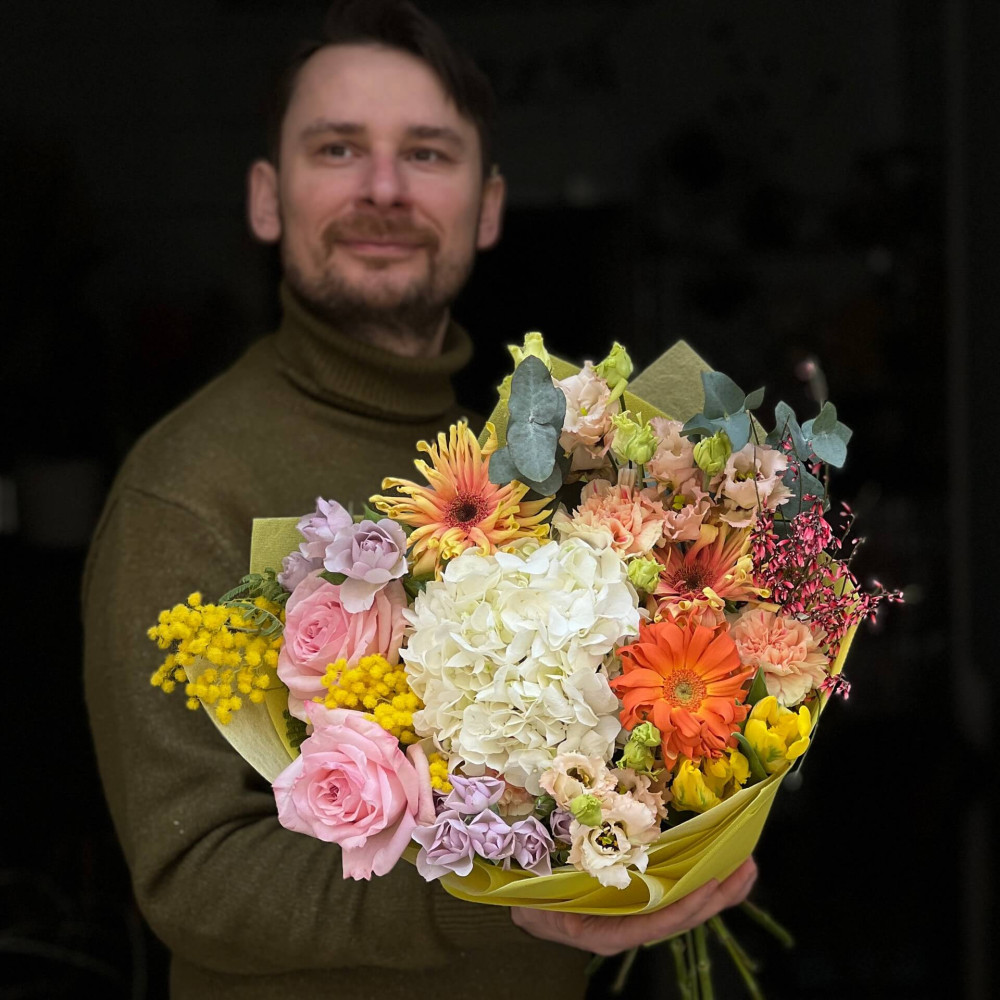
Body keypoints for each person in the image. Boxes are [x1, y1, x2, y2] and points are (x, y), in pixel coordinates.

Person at [82, 3, 756, 998]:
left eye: (428, 153)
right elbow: (193, 875)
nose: (385, 188)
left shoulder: (537, 461)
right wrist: (496, 891)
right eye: (338, 148)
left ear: (487, 208)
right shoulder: (187, 485)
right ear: (266, 198)